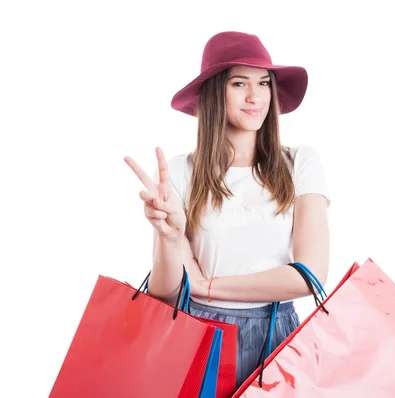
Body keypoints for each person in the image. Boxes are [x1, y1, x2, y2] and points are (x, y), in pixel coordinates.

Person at [123, 31, 331, 388]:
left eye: (264, 83)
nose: (256, 97)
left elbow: (308, 276)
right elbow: (168, 293)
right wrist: (170, 236)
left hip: (277, 332)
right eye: (239, 83)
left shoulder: (300, 163)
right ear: (214, 92)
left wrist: (205, 284)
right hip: (199, 334)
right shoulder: (178, 172)